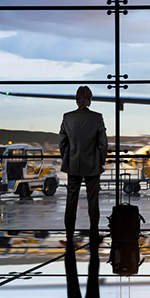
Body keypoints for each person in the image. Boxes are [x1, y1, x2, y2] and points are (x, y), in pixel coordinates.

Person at [59, 85, 108, 244]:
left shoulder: (67, 117)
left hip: (73, 164)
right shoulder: (97, 117)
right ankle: (94, 234)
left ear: (77, 99)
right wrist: (100, 161)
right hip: (92, 165)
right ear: (90, 99)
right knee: (93, 201)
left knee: (71, 201)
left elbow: (62, 143)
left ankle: (69, 236)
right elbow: (103, 144)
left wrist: (68, 158)